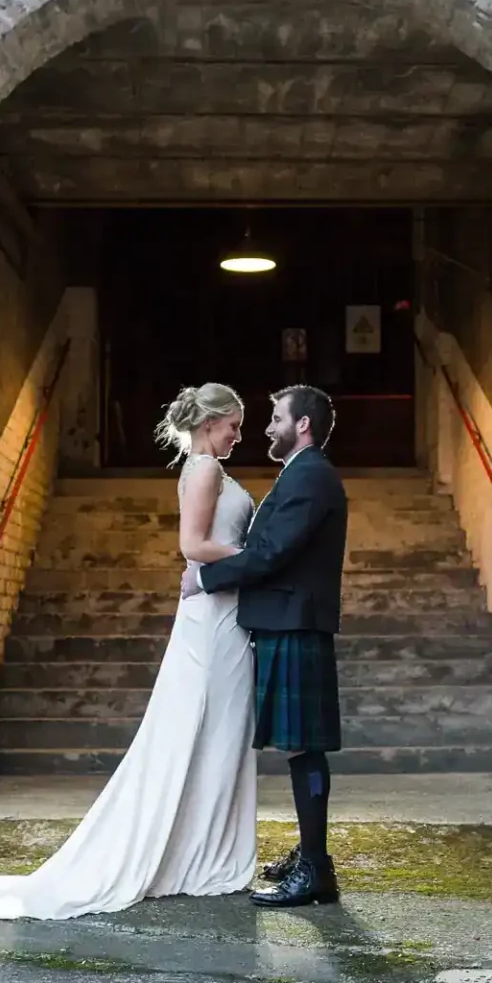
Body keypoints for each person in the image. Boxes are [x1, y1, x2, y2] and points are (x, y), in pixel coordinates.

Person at [0, 384, 258, 920]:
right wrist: (261, 556)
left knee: (217, 730)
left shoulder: (202, 468)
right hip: (214, 620)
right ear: (210, 422)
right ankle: (201, 854)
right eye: (234, 424)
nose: (239, 434)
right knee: (210, 727)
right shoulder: (206, 470)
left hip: (218, 611)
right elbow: (192, 548)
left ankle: (203, 850)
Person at [182, 384, 348, 909]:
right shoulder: (301, 473)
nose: (267, 427)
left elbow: (272, 552)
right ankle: (311, 857)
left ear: (302, 424)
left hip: (296, 621)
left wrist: (207, 579)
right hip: (286, 619)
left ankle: (317, 871)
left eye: (276, 418)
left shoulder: (310, 475)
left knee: (304, 744)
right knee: (302, 744)